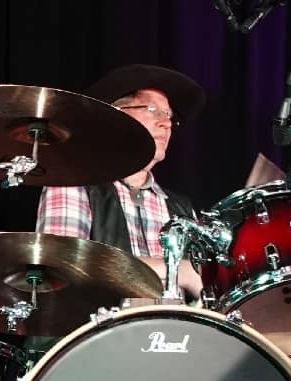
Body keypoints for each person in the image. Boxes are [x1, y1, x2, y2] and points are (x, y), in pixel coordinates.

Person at [35, 63, 206, 303]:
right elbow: (61, 267)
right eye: (153, 110)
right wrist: (175, 269)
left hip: (173, 337)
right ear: (116, 116)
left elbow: (203, 289)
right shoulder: (73, 183)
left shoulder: (181, 208)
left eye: (169, 116)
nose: (166, 123)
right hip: (95, 335)